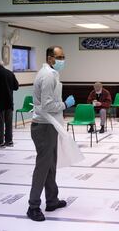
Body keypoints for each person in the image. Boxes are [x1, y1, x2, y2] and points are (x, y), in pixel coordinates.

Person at [27, 46, 76, 222]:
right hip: (43, 126)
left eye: (63, 56)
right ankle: (33, 206)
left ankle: (52, 200)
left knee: (50, 165)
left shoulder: (51, 73)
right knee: (43, 166)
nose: (62, 60)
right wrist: (65, 104)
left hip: (51, 125)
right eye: (59, 57)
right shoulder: (47, 75)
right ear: (50, 58)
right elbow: (47, 105)